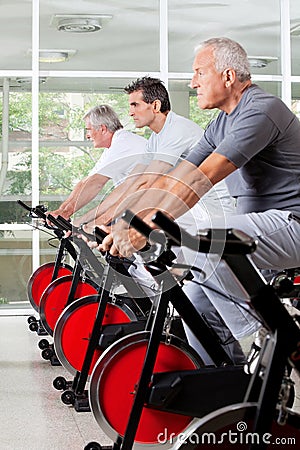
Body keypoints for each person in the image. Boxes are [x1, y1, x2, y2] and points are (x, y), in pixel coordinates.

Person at [98, 37, 300, 360]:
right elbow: (178, 177)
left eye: (199, 73)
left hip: (292, 225)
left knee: (210, 245)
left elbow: (202, 178)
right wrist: (129, 220)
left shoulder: (262, 110)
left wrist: (147, 224)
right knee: (193, 297)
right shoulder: (219, 124)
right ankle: (235, 387)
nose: (193, 83)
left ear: (229, 76)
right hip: (259, 233)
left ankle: (274, 335)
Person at [82, 76, 246, 365]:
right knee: (180, 290)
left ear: (155, 105)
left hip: (211, 216)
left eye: (135, 104)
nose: (130, 111)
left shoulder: (176, 130)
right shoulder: (156, 138)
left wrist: (117, 221)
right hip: (185, 216)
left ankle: (225, 366)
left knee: (195, 296)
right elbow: (133, 182)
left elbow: (149, 182)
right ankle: (209, 357)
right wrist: (101, 217)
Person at [48, 104, 147, 222]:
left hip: (155, 213)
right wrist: (61, 211)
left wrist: (66, 213)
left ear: (102, 128)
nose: (87, 135)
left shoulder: (123, 144)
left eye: (89, 130)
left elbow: (96, 184)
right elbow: (85, 182)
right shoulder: (114, 145)